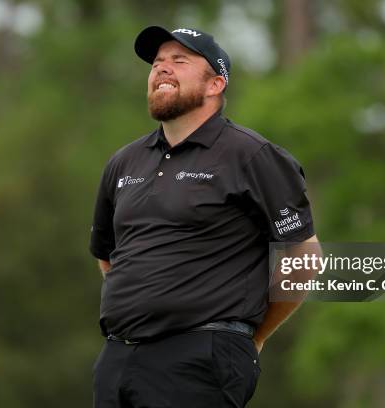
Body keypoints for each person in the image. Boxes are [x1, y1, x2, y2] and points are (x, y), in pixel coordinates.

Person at [90, 25, 319, 408]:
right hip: (118, 358)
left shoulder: (251, 155)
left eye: (179, 61)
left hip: (201, 357)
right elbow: (108, 255)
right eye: (157, 62)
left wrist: (253, 336)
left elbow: (304, 257)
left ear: (215, 84)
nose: (162, 68)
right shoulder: (123, 161)